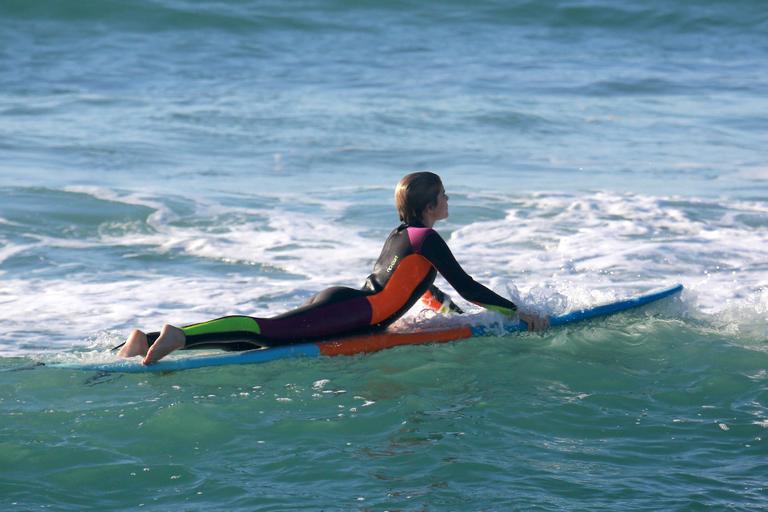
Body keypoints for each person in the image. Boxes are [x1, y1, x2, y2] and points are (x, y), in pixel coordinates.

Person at [118, 172, 549, 364]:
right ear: (430, 205)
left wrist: (454, 319)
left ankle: (149, 341)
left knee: (262, 345)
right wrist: (518, 313)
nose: (449, 201)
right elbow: (468, 285)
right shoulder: (427, 238)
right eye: (444, 195)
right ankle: (180, 334)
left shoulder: (404, 236)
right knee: (265, 331)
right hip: (352, 312)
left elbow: (421, 286)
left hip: (348, 305)